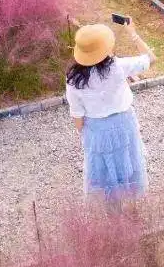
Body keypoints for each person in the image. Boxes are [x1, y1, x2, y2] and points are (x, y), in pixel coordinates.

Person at [65, 18, 156, 201]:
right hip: (124, 124)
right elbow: (151, 59)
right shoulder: (118, 67)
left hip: (96, 130)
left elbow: (78, 117)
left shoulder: (73, 80)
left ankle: (114, 219)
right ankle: (133, 212)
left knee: (105, 176)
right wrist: (133, 32)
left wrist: (88, 135)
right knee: (130, 168)